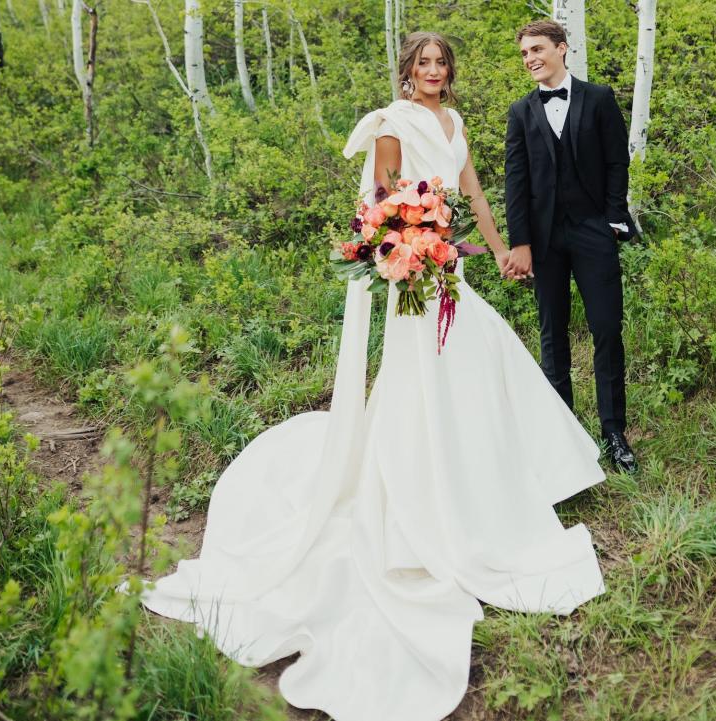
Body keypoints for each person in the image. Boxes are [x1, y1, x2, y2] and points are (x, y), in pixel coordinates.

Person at [126, 32, 606, 721]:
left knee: (484, 359)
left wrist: (500, 250)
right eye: (423, 64)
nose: (433, 73)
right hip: (415, 270)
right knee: (430, 377)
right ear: (407, 71)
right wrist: (407, 244)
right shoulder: (390, 123)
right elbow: (382, 199)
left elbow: (469, 188)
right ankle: (424, 491)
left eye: (442, 63)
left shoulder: (456, 121)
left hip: (453, 267)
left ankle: (490, 482)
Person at [503, 20, 639, 474]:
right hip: (544, 242)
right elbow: (516, 183)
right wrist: (520, 242)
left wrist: (612, 220)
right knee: (552, 336)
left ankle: (614, 432)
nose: (530, 59)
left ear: (562, 49)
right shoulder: (521, 112)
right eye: (524, 53)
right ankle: (562, 437)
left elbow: (617, 161)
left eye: (537, 49)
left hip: (593, 232)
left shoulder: (598, 99)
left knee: (606, 329)